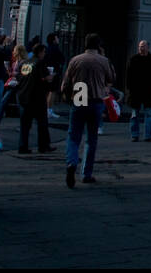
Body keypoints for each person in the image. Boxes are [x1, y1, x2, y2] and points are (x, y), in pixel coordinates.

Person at [60, 33, 116, 187]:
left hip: (79, 94)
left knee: (73, 135)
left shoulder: (75, 60)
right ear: (98, 46)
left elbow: (65, 84)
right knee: (91, 139)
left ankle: (71, 163)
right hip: (96, 98)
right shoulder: (104, 60)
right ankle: (86, 173)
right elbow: (111, 78)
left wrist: (66, 96)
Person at [16, 40, 54, 153]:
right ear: (41, 52)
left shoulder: (24, 63)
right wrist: (51, 76)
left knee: (25, 124)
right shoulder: (39, 63)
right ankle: (43, 146)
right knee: (42, 123)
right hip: (37, 96)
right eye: (44, 52)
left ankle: (23, 146)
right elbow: (46, 78)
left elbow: (20, 77)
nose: (45, 54)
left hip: (23, 95)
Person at [127, 39, 151, 142]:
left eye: (143, 46)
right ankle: (134, 135)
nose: (141, 48)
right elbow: (128, 75)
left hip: (148, 91)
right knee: (134, 115)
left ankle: (148, 135)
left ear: (147, 47)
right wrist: (129, 89)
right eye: (140, 46)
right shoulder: (133, 59)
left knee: (149, 114)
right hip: (135, 91)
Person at [43, 33, 64, 120]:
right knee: (53, 91)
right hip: (54, 71)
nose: (58, 40)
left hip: (46, 72)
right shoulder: (56, 49)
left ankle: (45, 110)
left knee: (47, 91)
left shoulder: (46, 49)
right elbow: (62, 59)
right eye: (57, 38)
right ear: (54, 40)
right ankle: (49, 110)